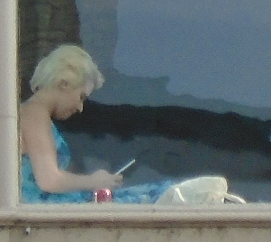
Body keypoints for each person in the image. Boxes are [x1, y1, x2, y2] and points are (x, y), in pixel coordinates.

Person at [19, 44, 233, 204]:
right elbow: (49, 180)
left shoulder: (32, 113)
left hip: (45, 207)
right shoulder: (34, 113)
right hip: (43, 208)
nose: (80, 107)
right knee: (152, 196)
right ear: (64, 84)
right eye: (81, 96)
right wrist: (93, 181)